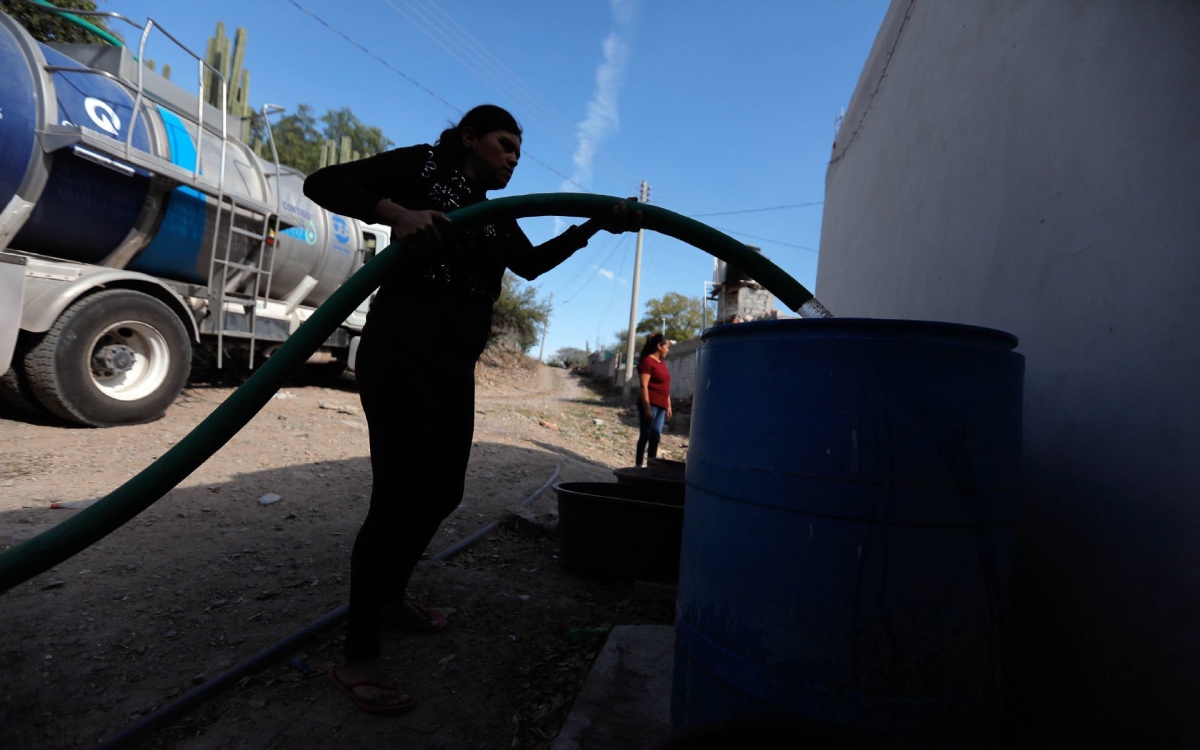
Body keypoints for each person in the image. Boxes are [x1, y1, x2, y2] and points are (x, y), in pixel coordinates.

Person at [302, 104, 641, 714]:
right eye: (503, 145)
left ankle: (392, 595)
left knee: (443, 492)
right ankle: (358, 656)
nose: (512, 159)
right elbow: (322, 183)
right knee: (397, 497)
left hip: (453, 366)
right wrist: (396, 212)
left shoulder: (494, 214)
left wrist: (590, 227)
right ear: (469, 139)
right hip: (400, 352)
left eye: (517, 152)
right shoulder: (423, 167)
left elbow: (530, 263)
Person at [635, 333, 672, 467]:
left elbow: (665, 385)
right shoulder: (647, 361)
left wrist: (668, 405)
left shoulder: (662, 363)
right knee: (645, 434)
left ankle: (651, 466)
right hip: (651, 404)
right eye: (666, 346)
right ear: (659, 346)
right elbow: (643, 386)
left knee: (655, 436)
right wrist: (647, 408)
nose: (668, 349)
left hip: (662, 406)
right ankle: (638, 465)